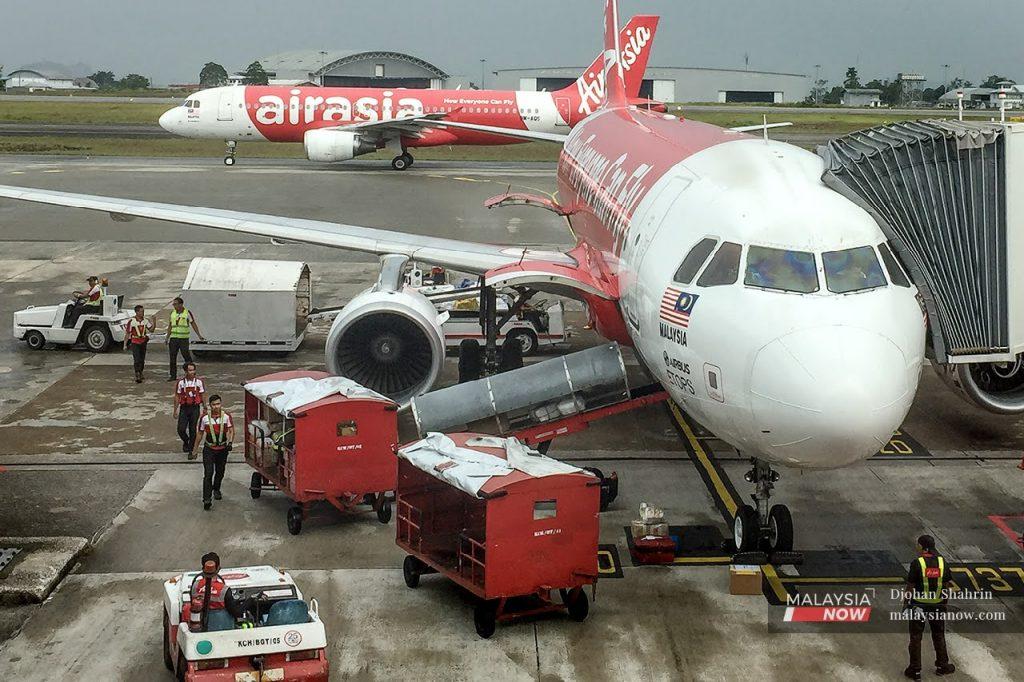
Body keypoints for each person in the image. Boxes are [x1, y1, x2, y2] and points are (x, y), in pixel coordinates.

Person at [903, 534, 957, 680]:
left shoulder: (917, 563)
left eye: (918, 545)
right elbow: (946, 586)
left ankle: (914, 670)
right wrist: (944, 604)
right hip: (938, 606)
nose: (917, 547)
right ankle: (942, 666)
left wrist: (906, 604)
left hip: (918, 606)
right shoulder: (942, 562)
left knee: (916, 637)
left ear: (923, 546)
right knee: (939, 635)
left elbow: (910, 587)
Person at [191, 394, 234, 510]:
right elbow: (199, 434)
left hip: (222, 450)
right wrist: (195, 450)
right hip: (209, 449)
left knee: (220, 472)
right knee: (208, 474)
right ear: (210, 405)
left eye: (218, 404)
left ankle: (216, 488)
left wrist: (230, 443)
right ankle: (207, 499)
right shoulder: (204, 418)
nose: (216, 406)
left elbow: (230, 430)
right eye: (214, 404)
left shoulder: (226, 416)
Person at [188, 552, 228, 632]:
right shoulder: (224, 589)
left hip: (197, 630)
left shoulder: (195, 585)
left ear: (203, 568)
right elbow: (235, 611)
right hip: (220, 629)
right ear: (218, 568)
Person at [166, 297, 204, 381]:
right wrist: (167, 337)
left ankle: (191, 373)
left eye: (175, 304)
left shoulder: (187, 313)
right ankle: (173, 375)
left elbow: (193, 323)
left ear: (181, 304)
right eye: (173, 304)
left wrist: (199, 335)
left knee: (186, 356)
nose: (174, 306)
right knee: (172, 358)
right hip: (174, 338)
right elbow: (170, 326)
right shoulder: (172, 313)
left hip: (183, 338)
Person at [173, 362, 206, 455]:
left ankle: (191, 448)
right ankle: (186, 440)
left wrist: (205, 406)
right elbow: (177, 396)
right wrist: (175, 409)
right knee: (181, 429)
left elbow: (202, 394)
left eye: (193, 370)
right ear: (185, 371)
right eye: (190, 370)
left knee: (193, 429)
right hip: (184, 407)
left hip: (195, 408)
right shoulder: (180, 383)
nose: (192, 372)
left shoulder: (199, 382)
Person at [123, 305, 153, 383]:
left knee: (142, 359)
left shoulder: (145, 321)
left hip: (143, 341)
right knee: (136, 359)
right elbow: (127, 333)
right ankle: (137, 374)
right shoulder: (131, 321)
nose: (143, 313)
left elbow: (151, 330)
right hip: (135, 342)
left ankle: (141, 371)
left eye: (143, 311)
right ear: (137, 312)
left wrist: (154, 322)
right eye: (141, 311)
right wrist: (125, 344)